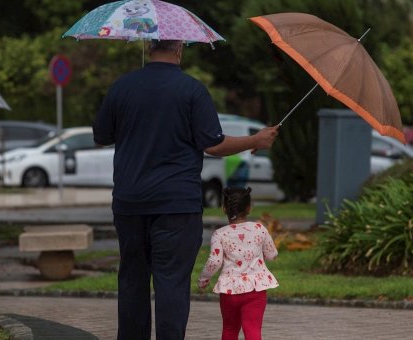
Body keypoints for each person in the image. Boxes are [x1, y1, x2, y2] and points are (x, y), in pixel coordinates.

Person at [93, 39, 279, 340]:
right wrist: (254, 141)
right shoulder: (192, 90)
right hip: (176, 205)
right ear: (179, 47)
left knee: (132, 280)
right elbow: (213, 144)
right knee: (171, 283)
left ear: (150, 46)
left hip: (130, 203)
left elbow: (101, 134)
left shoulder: (121, 87)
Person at [198, 187, 278, 340]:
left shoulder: (220, 234)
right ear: (249, 207)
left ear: (224, 208)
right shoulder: (259, 229)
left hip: (229, 292)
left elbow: (215, 261)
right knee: (253, 330)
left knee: (229, 329)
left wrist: (204, 279)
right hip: (255, 291)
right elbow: (271, 254)